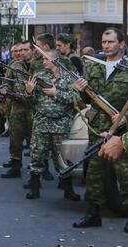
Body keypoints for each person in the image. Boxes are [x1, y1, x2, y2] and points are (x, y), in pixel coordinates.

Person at [73, 27, 128, 233]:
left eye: (111, 42)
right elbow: (84, 102)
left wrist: (127, 117)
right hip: (98, 128)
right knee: (94, 173)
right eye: (104, 42)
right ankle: (93, 213)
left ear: (122, 44)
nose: (106, 46)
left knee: (126, 173)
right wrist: (80, 91)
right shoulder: (94, 68)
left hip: (122, 130)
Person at [24, 49, 81, 201]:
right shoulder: (39, 76)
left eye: (46, 59)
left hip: (61, 124)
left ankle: (68, 189)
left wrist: (56, 93)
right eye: (42, 59)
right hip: (42, 122)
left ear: (56, 61)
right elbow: (32, 101)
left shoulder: (69, 77)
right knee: (37, 155)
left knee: (62, 157)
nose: (43, 62)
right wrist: (29, 92)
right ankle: (34, 188)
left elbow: (76, 98)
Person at [0, 41, 34, 179]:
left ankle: (38, 168)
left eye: (25, 50)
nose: (21, 53)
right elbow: (7, 82)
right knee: (15, 138)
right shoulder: (14, 66)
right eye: (19, 50)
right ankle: (15, 166)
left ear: (32, 50)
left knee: (36, 140)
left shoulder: (39, 65)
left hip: (34, 108)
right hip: (17, 107)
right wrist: (4, 90)